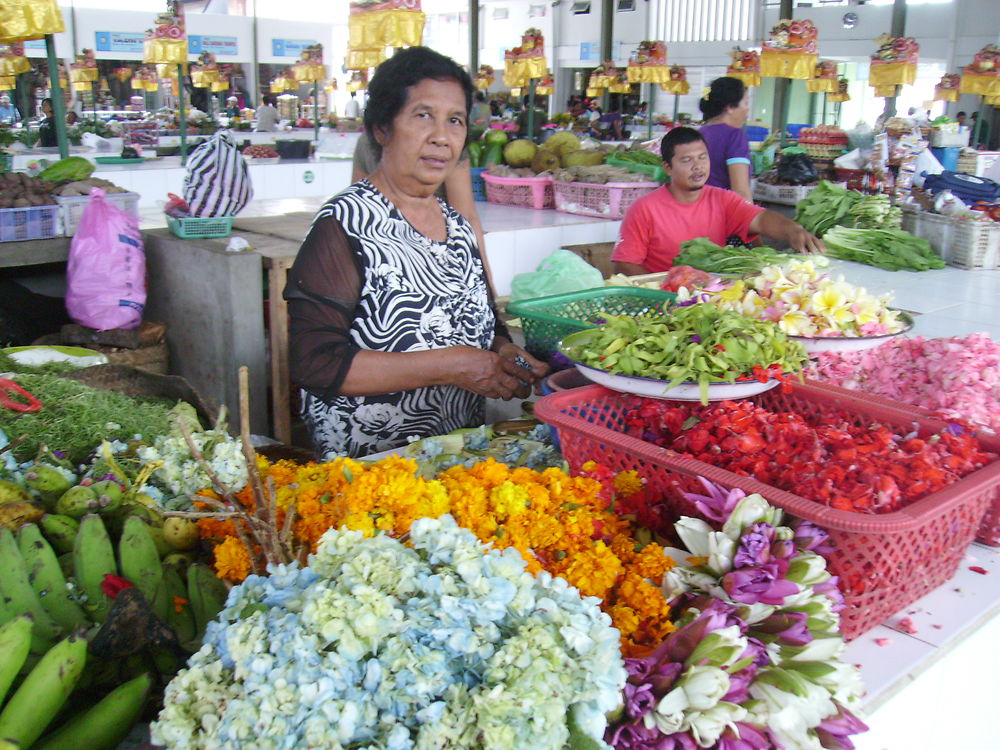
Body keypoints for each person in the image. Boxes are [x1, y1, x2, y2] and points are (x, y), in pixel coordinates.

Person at [286, 46, 548, 459]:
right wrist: (454, 364)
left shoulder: (458, 228)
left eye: (455, 120)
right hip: (371, 468)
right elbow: (314, 363)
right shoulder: (345, 224)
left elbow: (482, 324)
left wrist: (502, 351)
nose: (442, 137)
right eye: (423, 115)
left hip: (456, 459)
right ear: (382, 128)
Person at [612, 127, 824, 275]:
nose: (698, 166)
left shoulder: (722, 199)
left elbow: (760, 219)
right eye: (687, 160)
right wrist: (669, 287)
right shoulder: (644, 209)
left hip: (711, 295)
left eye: (702, 157)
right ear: (668, 167)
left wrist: (792, 229)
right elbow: (624, 264)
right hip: (665, 300)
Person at [697, 76, 753, 202]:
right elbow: (740, 191)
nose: (747, 110)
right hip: (721, 214)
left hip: (696, 212)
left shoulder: (700, 133)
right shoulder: (734, 136)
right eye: (745, 103)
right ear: (730, 108)